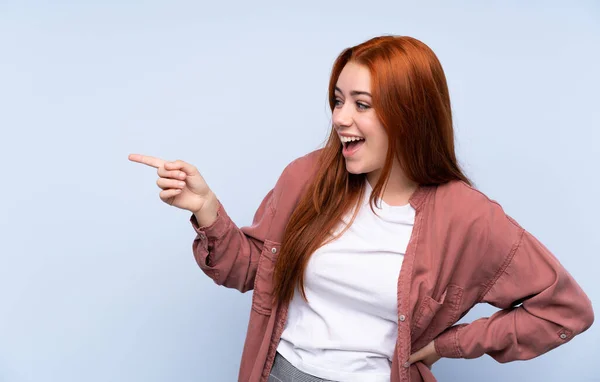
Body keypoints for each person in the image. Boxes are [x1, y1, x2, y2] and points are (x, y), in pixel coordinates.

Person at [129, 35, 594, 382]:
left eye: (361, 104)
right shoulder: (306, 177)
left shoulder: (467, 217)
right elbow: (251, 272)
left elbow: (563, 312)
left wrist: (446, 344)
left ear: (410, 113)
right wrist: (208, 210)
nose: (339, 118)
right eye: (337, 100)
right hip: (277, 371)